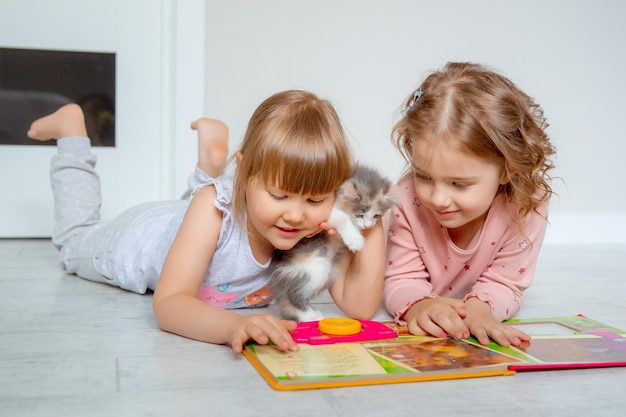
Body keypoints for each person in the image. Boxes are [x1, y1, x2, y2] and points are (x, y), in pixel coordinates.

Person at [27, 90, 386, 353]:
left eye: (314, 199)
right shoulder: (214, 207)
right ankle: (72, 134)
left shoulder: (312, 225)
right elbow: (169, 304)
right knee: (73, 241)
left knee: (200, 209)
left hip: (190, 221)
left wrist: (370, 216)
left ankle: (209, 163)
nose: (295, 214)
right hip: (140, 239)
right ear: (244, 171)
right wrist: (233, 323)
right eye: (279, 196)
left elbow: (359, 306)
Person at [384, 62, 556, 347]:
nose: (437, 198)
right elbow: (401, 277)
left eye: (459, 184)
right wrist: (419, 305)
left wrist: (482, 309)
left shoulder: (526, 205)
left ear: (506, 169)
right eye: (423, 176)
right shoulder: (406, 199)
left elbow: (506, 281)